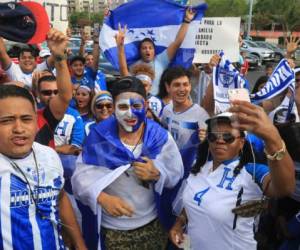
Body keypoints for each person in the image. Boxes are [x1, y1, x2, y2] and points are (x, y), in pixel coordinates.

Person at [72, 76, 184, 249]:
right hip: (114, 231)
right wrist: (101, 197)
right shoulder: (99, 138)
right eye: (123, 107)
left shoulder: (159, 137)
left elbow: (176, 173)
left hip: (153, 225)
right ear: (114, 109)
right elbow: (80, 179)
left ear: (146, 106)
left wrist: (157, 173)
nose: (130, 113)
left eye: (136, 106)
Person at [170, 101, 295, 250]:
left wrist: (273, 139)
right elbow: (196, 199)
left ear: (241, 143)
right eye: (213, 136)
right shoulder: (199, 168)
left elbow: (285, 188)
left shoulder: (252, 172)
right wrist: (180, 223)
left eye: (228, 137)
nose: (220, 141)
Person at [0, 85, 86, 249]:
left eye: (26, 119)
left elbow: (60, 197)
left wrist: (79, 243)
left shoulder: (49, 155)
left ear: (36, 122)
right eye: (6, 120)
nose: (18, 128)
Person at [115, 8, 196, 95]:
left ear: (154, 51)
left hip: (159, 103)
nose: (147, 50)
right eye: (144, 48)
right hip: (140, 102)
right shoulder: (134, 66)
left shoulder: (161, 60)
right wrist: (120, 46)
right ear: (140, 51)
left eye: (150, 48)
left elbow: (177, 43)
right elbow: (124, 73)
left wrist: (187, 20)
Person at [161, 66, 209, 177]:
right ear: (168, 87)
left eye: (185, 84)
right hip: (170, 169)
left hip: (190, 172)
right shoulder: (166, 110)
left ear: (190, 86)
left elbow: (209, 147)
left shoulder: (201, 115)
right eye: (177, 85)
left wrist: (205, 139)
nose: (182, 89)